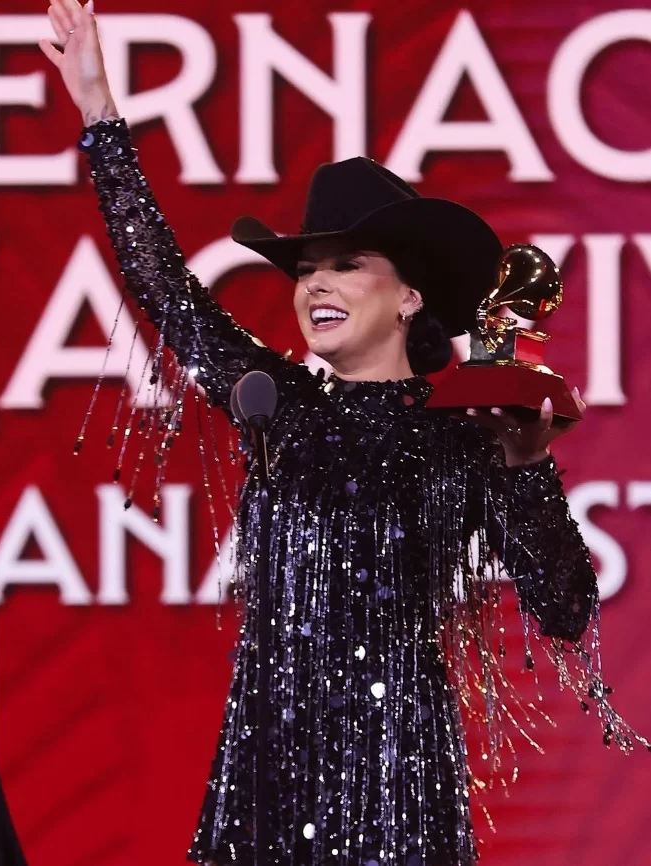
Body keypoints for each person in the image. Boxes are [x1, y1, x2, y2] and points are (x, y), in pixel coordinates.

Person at [40, 2, 647, 864]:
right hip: (266, 774)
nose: (313, 284)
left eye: (344, 264)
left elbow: (564, 604)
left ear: (408, 296)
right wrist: (100, 111)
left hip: (398, 788)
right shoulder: (280, 406)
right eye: (306, 267)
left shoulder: (464, 434)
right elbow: (163, 288)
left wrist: (522, 471)